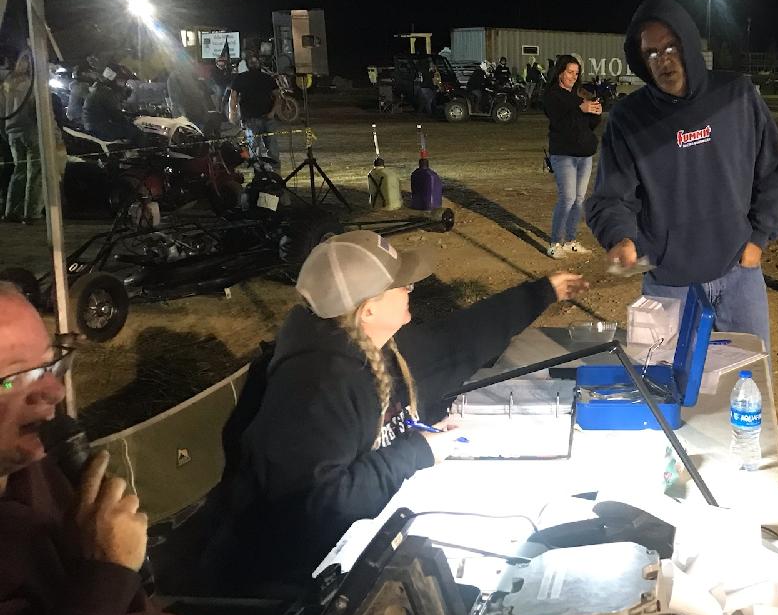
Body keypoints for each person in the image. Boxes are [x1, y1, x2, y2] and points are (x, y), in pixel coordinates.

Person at [200, 231, 588, 595]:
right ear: (368, 310)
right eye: (402, 285)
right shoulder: (315, 389)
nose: (410, 289)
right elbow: (318, 505)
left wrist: (542, 292)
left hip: (351, 548)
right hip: (285, 582)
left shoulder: (381, 347)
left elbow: (459, 342)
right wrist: (417, 452)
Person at [585, 0, 778, 348]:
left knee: (749, 374)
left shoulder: (736, 95)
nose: (663, 60)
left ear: (689, 44)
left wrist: (758, 238)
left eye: (671, 47)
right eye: (651, 53)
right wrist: (620, 237)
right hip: (668, 281)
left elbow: (772, 171)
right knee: (663, 378)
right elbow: (610, 197)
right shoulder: (629, 119)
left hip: (738, 274)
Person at [0, 283, 149, 615]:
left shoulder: (41, 467)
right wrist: (105, 576)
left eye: (50, 364)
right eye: (11, 378)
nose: (54, 390)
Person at [543, 54, 602, 259]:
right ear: (560, 72)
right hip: (564, 155)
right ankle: (555, 243)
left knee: (578, 199)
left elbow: (587, 126)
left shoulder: (579, 96)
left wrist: (595, 113)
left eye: (576, 73)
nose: (573, 77)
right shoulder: (553, 96)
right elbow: (561, 123)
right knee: (567, 198)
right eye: (570, 72)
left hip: (584, 155)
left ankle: (570, 241)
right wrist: (580, 109)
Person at [1, 49, 42, 223]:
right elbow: (37, 109)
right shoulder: (33, 84)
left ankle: (12, 210)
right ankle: (31, 212)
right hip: (30, 130)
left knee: (19, 170)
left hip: (12, 131)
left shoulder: (8, 84)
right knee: (35, 171)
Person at [228, 53, 280, 162]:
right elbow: (233, 97)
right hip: (252, 119)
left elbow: (277, 96)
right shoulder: (264, 77)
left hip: (264, 117)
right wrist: (232, 113)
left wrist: (232, 113)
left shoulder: (265, 78)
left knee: (263, 147)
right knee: (258, 148)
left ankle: (270, 169)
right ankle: (262, 169)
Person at [83, 65, 141, 145]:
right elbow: (116, 116)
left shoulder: (100, 90)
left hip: (93, 127)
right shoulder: (106, 93)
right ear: (113, 81)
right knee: (137, 132)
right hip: (99, 129)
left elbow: (113, 113)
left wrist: (128, 116)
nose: (123, 84)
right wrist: (132, 120)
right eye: (121, 81)